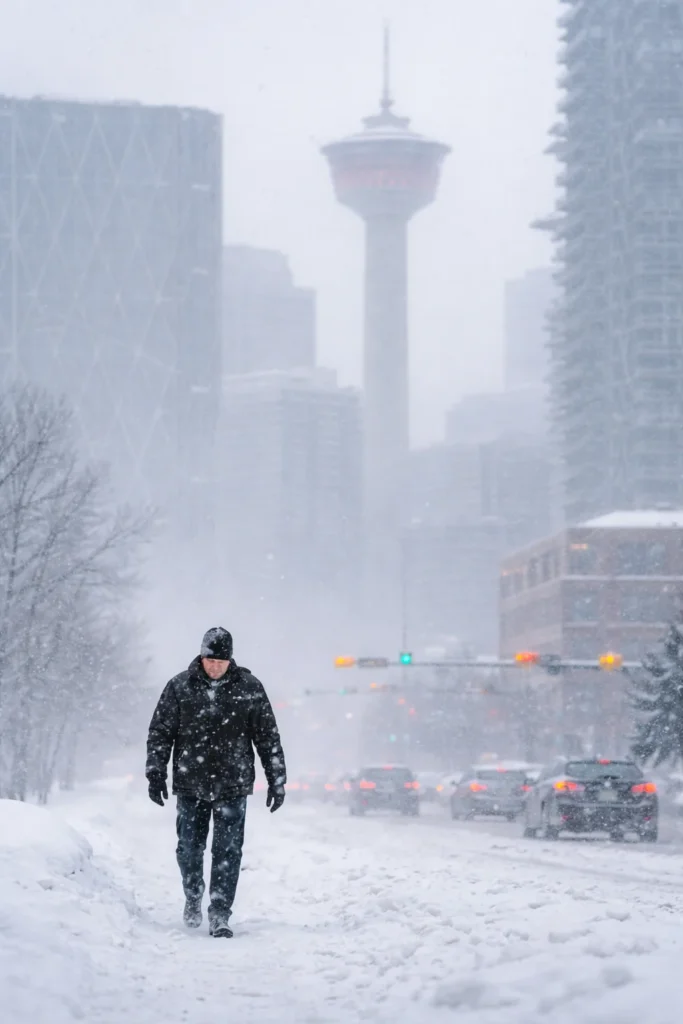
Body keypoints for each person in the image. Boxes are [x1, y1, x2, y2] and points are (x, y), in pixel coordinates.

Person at [145, 627, 286, 938]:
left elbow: (267, 736)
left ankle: (220, 912)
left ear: (230, 660)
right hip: (190, 783)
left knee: (228, 852)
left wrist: (276, 779)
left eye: (221, 662)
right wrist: (155, 772)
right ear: (202, 657)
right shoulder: (179, 686)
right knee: (189, 849)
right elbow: (160, 732)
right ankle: (193, 894)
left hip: (233, 784)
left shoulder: (249, 688)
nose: (215, 667)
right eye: (211, 661)